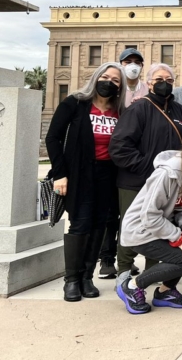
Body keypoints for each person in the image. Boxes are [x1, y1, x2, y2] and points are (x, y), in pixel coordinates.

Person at [45, 62, 126, 302]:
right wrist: (60, 174)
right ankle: (71, 280)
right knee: (80, 224)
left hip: (108, 174)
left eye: (115, 81)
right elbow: (53, 138)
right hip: (80, 173)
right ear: (96, 77)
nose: (109, 82)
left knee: (100, 225)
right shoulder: (76, 103)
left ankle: (87, 277)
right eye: (106, 77)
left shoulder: (119, 111)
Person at [116, 127, 182, 314]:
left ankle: (166, 292)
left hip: (161, 227)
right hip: (141, 230)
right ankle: (131, 286)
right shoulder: (168, 172)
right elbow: (149, 215)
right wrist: (178, 237)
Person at [110, 63, 182, 279]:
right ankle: (125, 271)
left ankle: (153, 272)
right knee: (131, 226)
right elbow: (119, 147)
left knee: (160, 225)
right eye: (158, 80)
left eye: (168, 80)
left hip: (167, 183)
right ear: (148, 83)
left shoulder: (180, 112)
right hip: (135, 181)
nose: (164, 84)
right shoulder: (139, 108)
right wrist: (150, 169)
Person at [97, 48, 148, 279]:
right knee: (110, 214)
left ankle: (126, 258)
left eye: (137, 62)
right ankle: (107, 258)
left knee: (131, 214)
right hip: (109, 160)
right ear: (120, 64)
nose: (133, 65)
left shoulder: (146, 88)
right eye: (128, 61)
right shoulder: (114, 88)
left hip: (131, 162)